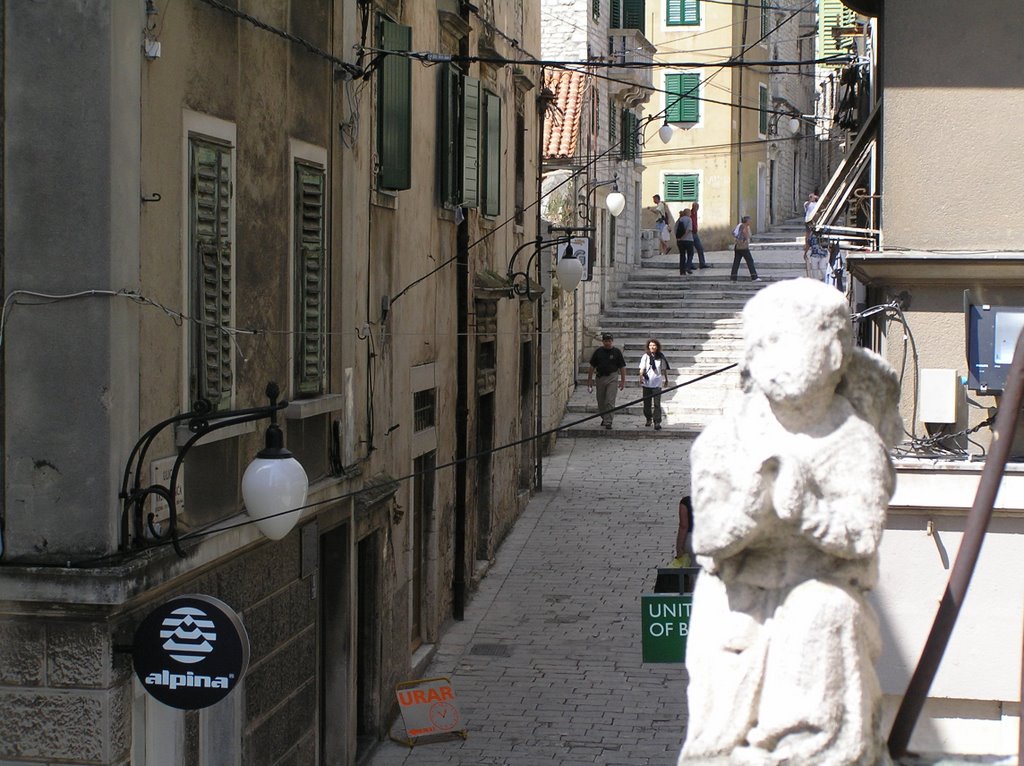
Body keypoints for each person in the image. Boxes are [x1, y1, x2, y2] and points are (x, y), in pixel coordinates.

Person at [680, 280, 902, 766]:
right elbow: (709, 538)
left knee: (822, 612)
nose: (781, 356)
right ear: (752, 355)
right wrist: (755, 510)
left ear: (835, 354)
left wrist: (808, 514)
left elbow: (863, 533)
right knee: (721, 623)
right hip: (739, 591)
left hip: (821, 587)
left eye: (794, 339)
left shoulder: (855, 441)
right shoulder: (724, 439)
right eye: (769, 341)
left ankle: (806, 748)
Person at [586, 332, 626, 429]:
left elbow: (622, 367)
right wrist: (590, 380)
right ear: (603, 342)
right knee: (601, 400)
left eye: (609, 341)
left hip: (612, 377)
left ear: (612, 341)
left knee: (609, 400)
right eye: (605, 341)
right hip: (600, 377)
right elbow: (592, 366)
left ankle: (609, 421)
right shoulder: (598, 352)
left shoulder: (617, 352)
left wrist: (622, 381)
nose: (607, 343)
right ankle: (604, 417)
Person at [638, 338, 670, 430]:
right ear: (648, 346)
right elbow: (642, 368)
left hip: (657, 383)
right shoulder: (645, 356)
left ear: (657, 347)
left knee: (657, 404)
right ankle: (648, 418)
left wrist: (666, 379)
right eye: (651, 345)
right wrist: (641, 377)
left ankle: (657, 422)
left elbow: (663, 369)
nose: (652, 347)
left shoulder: (661, 357)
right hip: (647, 383)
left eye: (654, 345)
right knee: (647, 404)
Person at [729, 215, 759, 282]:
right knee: (750, 261)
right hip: (743, 247)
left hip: (737, 247)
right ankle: (754, 277)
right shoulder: (744, 227)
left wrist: (737, 240)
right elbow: (745, 234)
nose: (750, 222)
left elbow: (733, 232)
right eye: (749, 220)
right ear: (747, 221)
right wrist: (745, 239)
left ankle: (733, 278)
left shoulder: (739, 225)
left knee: (736, 262)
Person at [690, 202, 710, 268]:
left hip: (695, 233)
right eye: (696, 207)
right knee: (691, 250)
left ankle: (702, 263)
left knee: (700, 248)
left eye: (698, 207)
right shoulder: (690, 214)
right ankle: (689, 264)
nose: (697, 209)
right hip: (690, 234)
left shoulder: (695, 214)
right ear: (693, 207)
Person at [675, 209, 694, 275]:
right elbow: (689, 230)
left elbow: (675, 229)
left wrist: (679, 238)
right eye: (690, 212)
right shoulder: (689, 219)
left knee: (682, 255)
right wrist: (683, 237)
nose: (691, 214)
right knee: (690, 254)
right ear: (688, 213)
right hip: (688, 240)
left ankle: (682, 271)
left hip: (680, 241)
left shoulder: (679, 219)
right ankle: (688, 267)